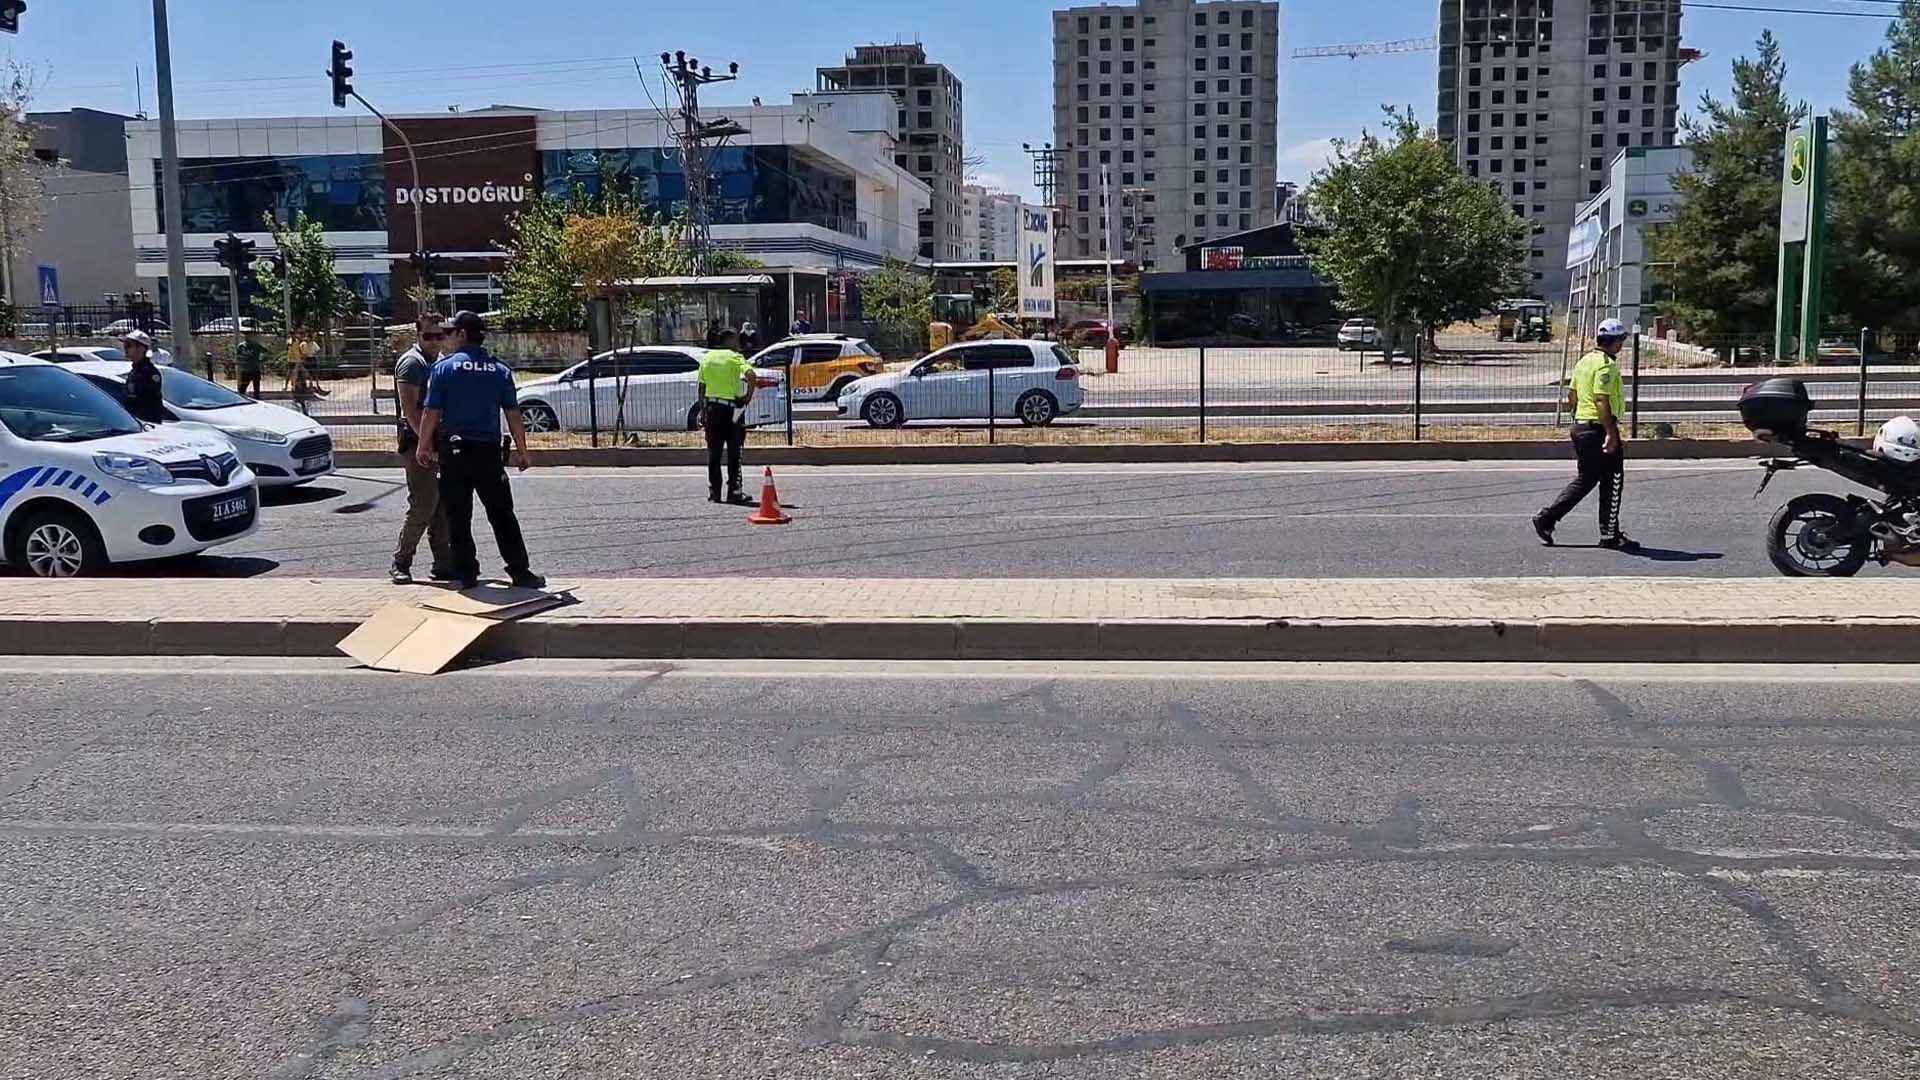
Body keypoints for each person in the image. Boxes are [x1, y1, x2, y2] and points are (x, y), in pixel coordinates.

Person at [414, 310, 545, 590]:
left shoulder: (444, 369)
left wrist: (424, 445)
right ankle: (521, 572)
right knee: (502, 514)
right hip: (488, 452)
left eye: (450, 333)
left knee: (459, 516)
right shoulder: (499, 370)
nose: (446, 338)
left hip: (455, 451)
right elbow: (513, 414)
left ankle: (467, 574)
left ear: (462, 334)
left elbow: (431, 411)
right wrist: (523, 451)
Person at [1534, 318, 1639, 551]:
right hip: (1599, 428)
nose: (1622, 345)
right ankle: (1609, 534)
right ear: (1616, 343)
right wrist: (1610, 433)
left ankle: (1547, 519)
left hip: (1582, 427)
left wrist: (1579, 419)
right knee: (1613, 480)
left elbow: (1572, 395)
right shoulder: (1605, 365)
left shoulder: (1584, 361)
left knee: (1587, 479)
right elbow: (1602, 399)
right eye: (1621, 340)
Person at [388, 317, 453, 585]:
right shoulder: (412, 363)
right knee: (423, 503)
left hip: (438, 440)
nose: (435, 341)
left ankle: (444, 564)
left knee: (441, 506)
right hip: (418, 443)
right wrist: (425, 443)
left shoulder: (438, 361)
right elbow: (410, 410)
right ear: (418, 335)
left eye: (440, 336)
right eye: (429, 336)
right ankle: (401, 562)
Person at [698, 328, 757, 505]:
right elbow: (752, 376)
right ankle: (734, 491)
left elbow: (701, 388)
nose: (739, 345)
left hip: (712, 410)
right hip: (732, 411)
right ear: (729, 341)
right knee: (734, 452)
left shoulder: (707, 358)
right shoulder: (735, 357)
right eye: (737, 341)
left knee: (714, 453)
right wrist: (747, 398)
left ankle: (715, 492)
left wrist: (703, 410)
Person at [121, 330, 166, 424]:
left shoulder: (149, 373)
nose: (125, 349)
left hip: (146, 425)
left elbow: (148, 403)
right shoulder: (134, 371)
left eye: (128, 345)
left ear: (141, 348)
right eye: (125, 345)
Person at [234, 327, 268, 398]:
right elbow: (237, 357)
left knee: (256, 388)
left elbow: (266, 352)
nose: (248, 337)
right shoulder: (241, 346)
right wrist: (239, 366)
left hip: (255, 369)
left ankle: (257, 400)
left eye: (249, 335)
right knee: (243, 387)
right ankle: (241, 399)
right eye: (246, 335)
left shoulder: (256, 345)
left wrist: (262, 360)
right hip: (245, 370)